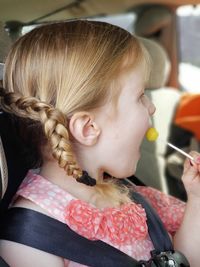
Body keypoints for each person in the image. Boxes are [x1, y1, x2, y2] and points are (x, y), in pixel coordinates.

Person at [0, 20, 200, 267]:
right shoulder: (32, 237)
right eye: (140, 97)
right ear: (88, 128)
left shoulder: (125, 195)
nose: (152, 107)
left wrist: (197, 196)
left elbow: (183, 261)